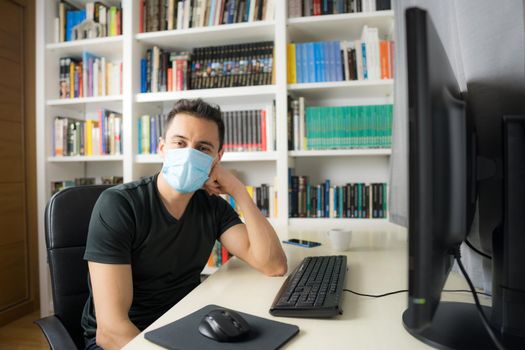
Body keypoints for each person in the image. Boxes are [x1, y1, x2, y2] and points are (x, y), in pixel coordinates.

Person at [81, 99, 287, 350]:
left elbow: (273, 264)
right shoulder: (119, 205)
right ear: (162, 147)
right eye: (179, 143)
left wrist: (238, 191)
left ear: (217, 158)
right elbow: (111, 332)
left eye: (203, 147)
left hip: (183, 326)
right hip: (126, 341)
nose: (189, 153)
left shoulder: (212, 207)